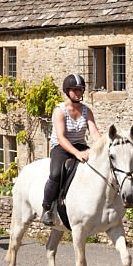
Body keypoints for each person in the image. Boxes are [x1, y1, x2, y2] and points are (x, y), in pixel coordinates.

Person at [41, 74, 102, 226]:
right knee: (56, 173)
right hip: (61, 148)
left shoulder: (86, 110)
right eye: (74, 90)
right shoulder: (59, 111)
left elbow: (94, 132)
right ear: (67, 91)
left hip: (80, 144)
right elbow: (61, 137)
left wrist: (103, 146)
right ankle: (47, 208)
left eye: (80, 90)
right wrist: (77, 154)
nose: (78, 93)